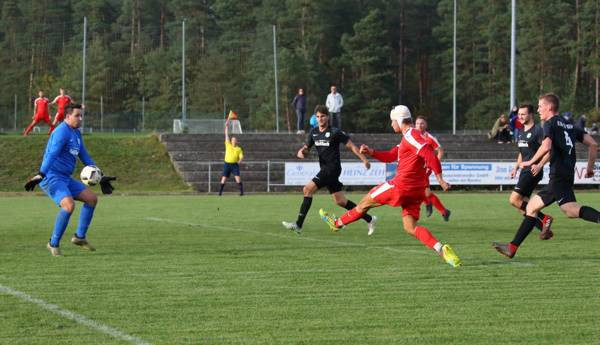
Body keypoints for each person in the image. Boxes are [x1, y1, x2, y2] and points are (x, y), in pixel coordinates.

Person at [319, 105, 461, 268]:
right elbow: (392, 155)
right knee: (410, 227)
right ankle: (442, 249)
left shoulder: (411, 135)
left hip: (401, 186)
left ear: (400, 120)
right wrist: (372, 152)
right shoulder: (409, 138)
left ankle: (337, 223)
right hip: (417, 191)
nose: (391, 124)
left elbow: (429, 153)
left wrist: (440, 179)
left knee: (365, 202)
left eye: (393, 121)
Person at [493, 93, 600, 258]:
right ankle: (512, 247)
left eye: (540, 106)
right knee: (571, 210)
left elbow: (547, 145)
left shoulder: (549, 123)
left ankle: (512, 247)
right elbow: (593, 144)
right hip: (567, 174)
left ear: (549, 107)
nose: (538, 110)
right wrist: (590, 167)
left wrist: (531, 162)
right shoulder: (570, 124)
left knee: (531, 207)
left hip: (557, 176)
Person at [23, 104, 116, 256]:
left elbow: (84, 156)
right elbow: (52, 155)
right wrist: (41, 174)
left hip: (65, 178)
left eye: (81, 116)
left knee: (92, 199)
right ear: (67, 117)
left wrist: (101, 175)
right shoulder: (61, 132)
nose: (80, 118)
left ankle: (79, 237)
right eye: (77, 115)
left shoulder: (76, 133)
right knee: (68, 205)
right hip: (51, 176)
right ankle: (53, 243)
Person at [282, 105, 376, 235]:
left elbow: (352, 146)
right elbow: (303, 151)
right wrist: (302, 152)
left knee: (307, 189)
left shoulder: (335, 132)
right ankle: (370, 219)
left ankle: (298, 225)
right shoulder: (314, 132)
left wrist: (364, 159)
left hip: (332, 169)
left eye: (322, 116)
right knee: (341, 201)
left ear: (327, 117)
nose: (320, 119)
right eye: (318, 117)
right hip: (325, 169)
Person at [507, 104, 554, 240]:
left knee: (514, 200)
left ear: (531, 115)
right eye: (519, 114)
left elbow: (549, 151)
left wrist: (539, 165)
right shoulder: (521, 131)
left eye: (523, 114)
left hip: (532, 170)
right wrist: (515, 168)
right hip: (524, 170)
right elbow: (522, 153)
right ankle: (545, 229)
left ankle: (545, 218)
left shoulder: (538, 131)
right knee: (522, 206)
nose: (520, 117)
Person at [414, 116, 451, 220]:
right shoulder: (413, 136)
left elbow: (440, 151)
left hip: (426, 167)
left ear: (426, 125)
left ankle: (428, 204)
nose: (419, 125)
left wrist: (434, 164)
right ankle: (443, 211)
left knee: (420, 189)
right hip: (417, 167)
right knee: (423, 190)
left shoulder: (429, 138)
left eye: (421, 123)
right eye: (417, 123)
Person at [219, 118, 244, 196]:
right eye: (232, 139)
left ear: (236, 141)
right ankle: (220, 193)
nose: (233, 141)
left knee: (238, 179)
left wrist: (239, 161)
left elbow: (241, 157)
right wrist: (226, 127)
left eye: (234, 140)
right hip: (227, 164)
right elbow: (226, 135)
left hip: (234, 165)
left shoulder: (238, 148)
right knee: (224, 178)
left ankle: (241, 193)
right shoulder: (228, 145)